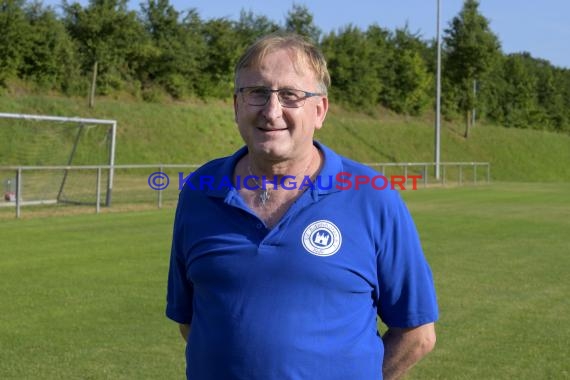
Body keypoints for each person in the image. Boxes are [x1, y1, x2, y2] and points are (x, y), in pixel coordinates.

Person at [166, 33, 438, 380]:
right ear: (236, 106)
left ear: (319, 110)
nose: (271, 110)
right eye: (257, 93)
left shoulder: (372, 196)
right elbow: (191, 320)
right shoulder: (200, 193)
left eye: (290, 95)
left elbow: (417, 335)